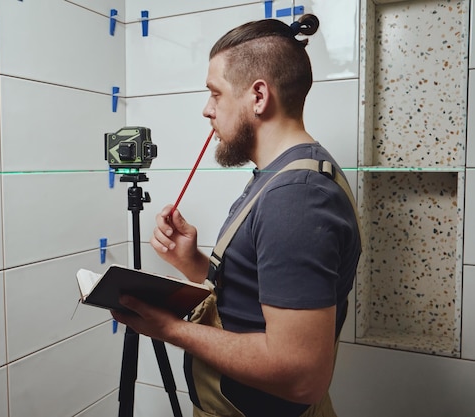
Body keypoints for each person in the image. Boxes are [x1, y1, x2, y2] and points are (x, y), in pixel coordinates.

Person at [111, 14, 361, 417]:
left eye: (215, 93)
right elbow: (251, 302)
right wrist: (192, 263)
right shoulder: (282, 175)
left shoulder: (296, 197)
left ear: (258, 96)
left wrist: (170, 328)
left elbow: (301, 376)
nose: (207, 110)